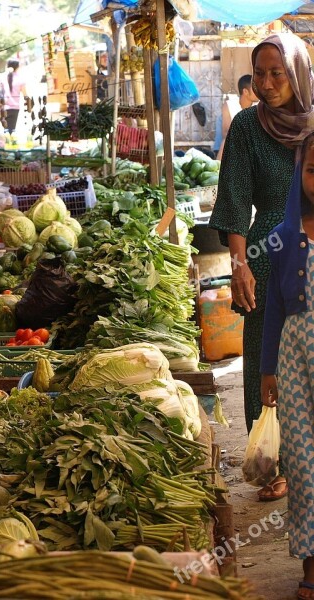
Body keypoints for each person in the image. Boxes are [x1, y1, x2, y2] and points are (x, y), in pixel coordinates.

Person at [209, 32, 314, 502]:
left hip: (310, 247)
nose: (268, 84)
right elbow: (232, 201)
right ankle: (274, 460)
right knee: (265, 359)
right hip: (264, 257)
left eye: (278, 73)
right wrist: (239, 265)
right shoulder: (249, 127)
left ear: (298, 74)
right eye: (261, 74)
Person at [261, 133, 314, 600]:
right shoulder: (281, 237)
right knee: (300, 463)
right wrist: (266, 369)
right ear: (300, 175)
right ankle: (311, 566)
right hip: (295, 361)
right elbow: (273, 311)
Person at [214, 74, 258, 160]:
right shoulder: (229, 105)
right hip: (233, 142)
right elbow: (226, 133)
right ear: (245, 91)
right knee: (227, 140)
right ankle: (219, 169)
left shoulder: (259, 106)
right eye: (255, 89)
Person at [0, 60, 26, 134]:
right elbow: (25, 94)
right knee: (11, 129)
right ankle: (9, 143)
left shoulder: (2, 77)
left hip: (3, 107)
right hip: (15, 108)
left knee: (5, 129)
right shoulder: (20, 79)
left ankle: (5, 143)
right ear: (17, 67)